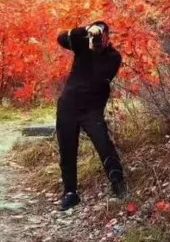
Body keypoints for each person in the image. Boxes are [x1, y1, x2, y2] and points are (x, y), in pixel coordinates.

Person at [54, 21, 127, 211]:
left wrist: (96, 49)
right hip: (68, 105)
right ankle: (70, 193)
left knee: (104, 144)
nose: (98, 39)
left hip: (91, 109)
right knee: (67, 149)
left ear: (108, 36)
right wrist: (85, 31)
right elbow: (61, 38)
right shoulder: (82, 46)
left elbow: (100, 78)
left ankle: (118, 182)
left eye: (101, 35)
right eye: (95, 36)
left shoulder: (113, 57)